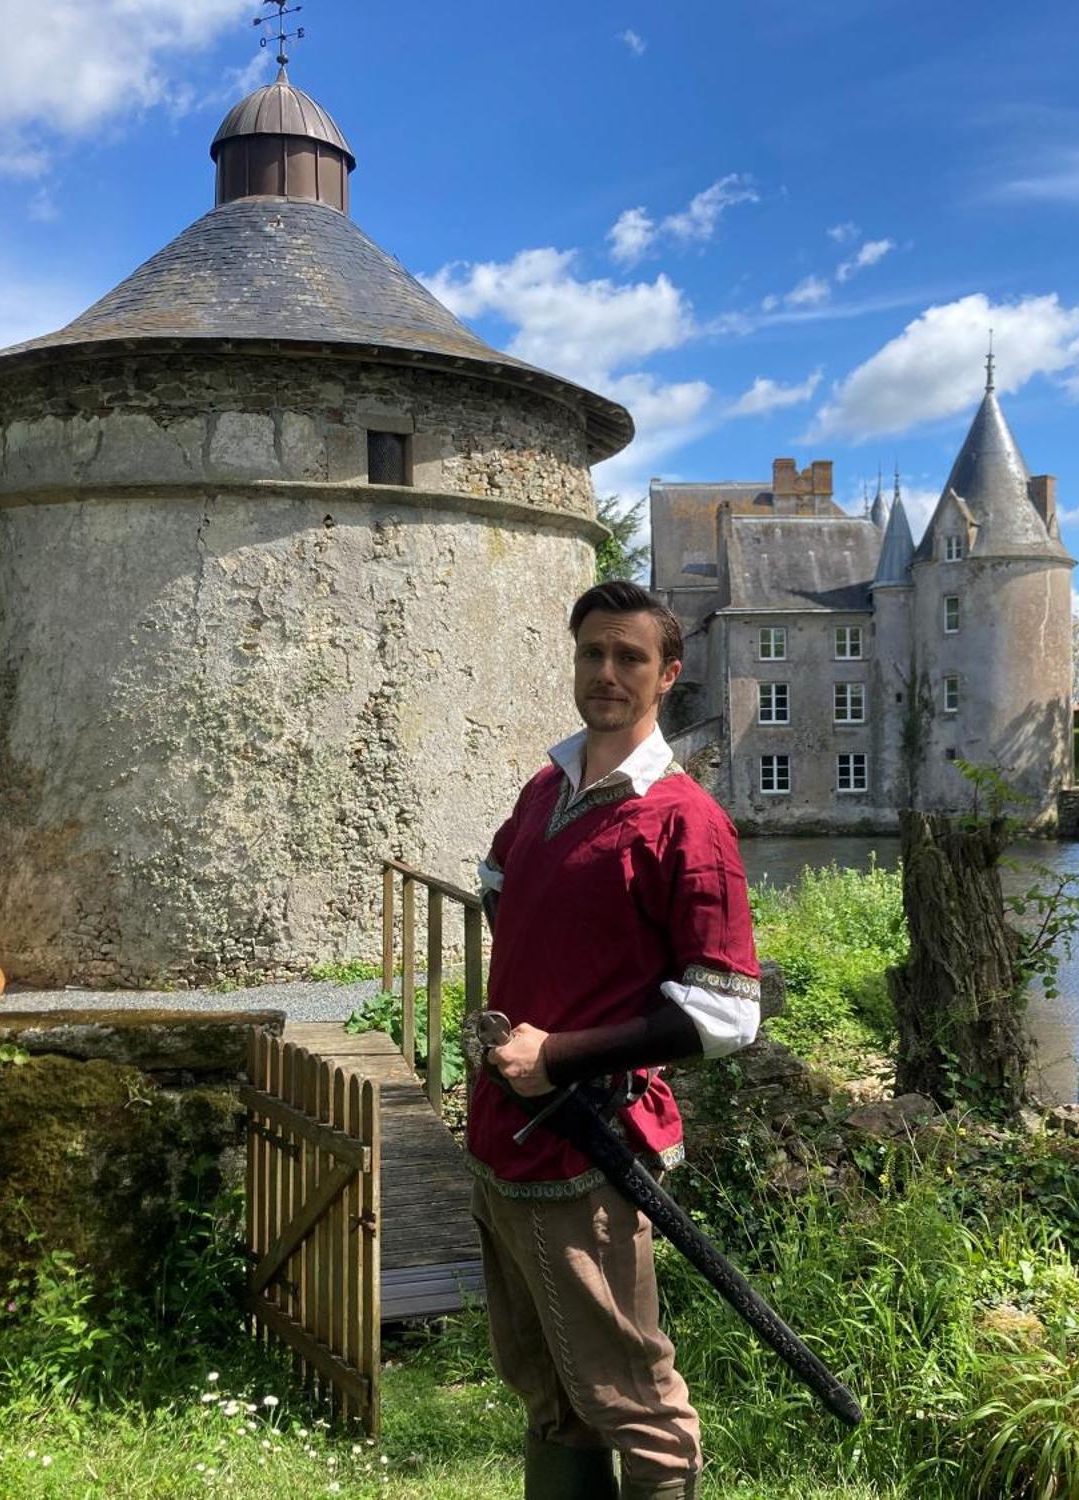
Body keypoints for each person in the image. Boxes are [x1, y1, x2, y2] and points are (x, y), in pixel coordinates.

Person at [471, 579, 762, 1500]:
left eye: (630, 656)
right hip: (498, 1137)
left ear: (668, 674)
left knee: (636, 1406)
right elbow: (495, 884)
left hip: (588, 1148)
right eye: (592, 652)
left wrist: (557, 1052)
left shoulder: (687, 820)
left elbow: (725, 1015)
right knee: (549, 1396)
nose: (607, 672)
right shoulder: (545, 787)